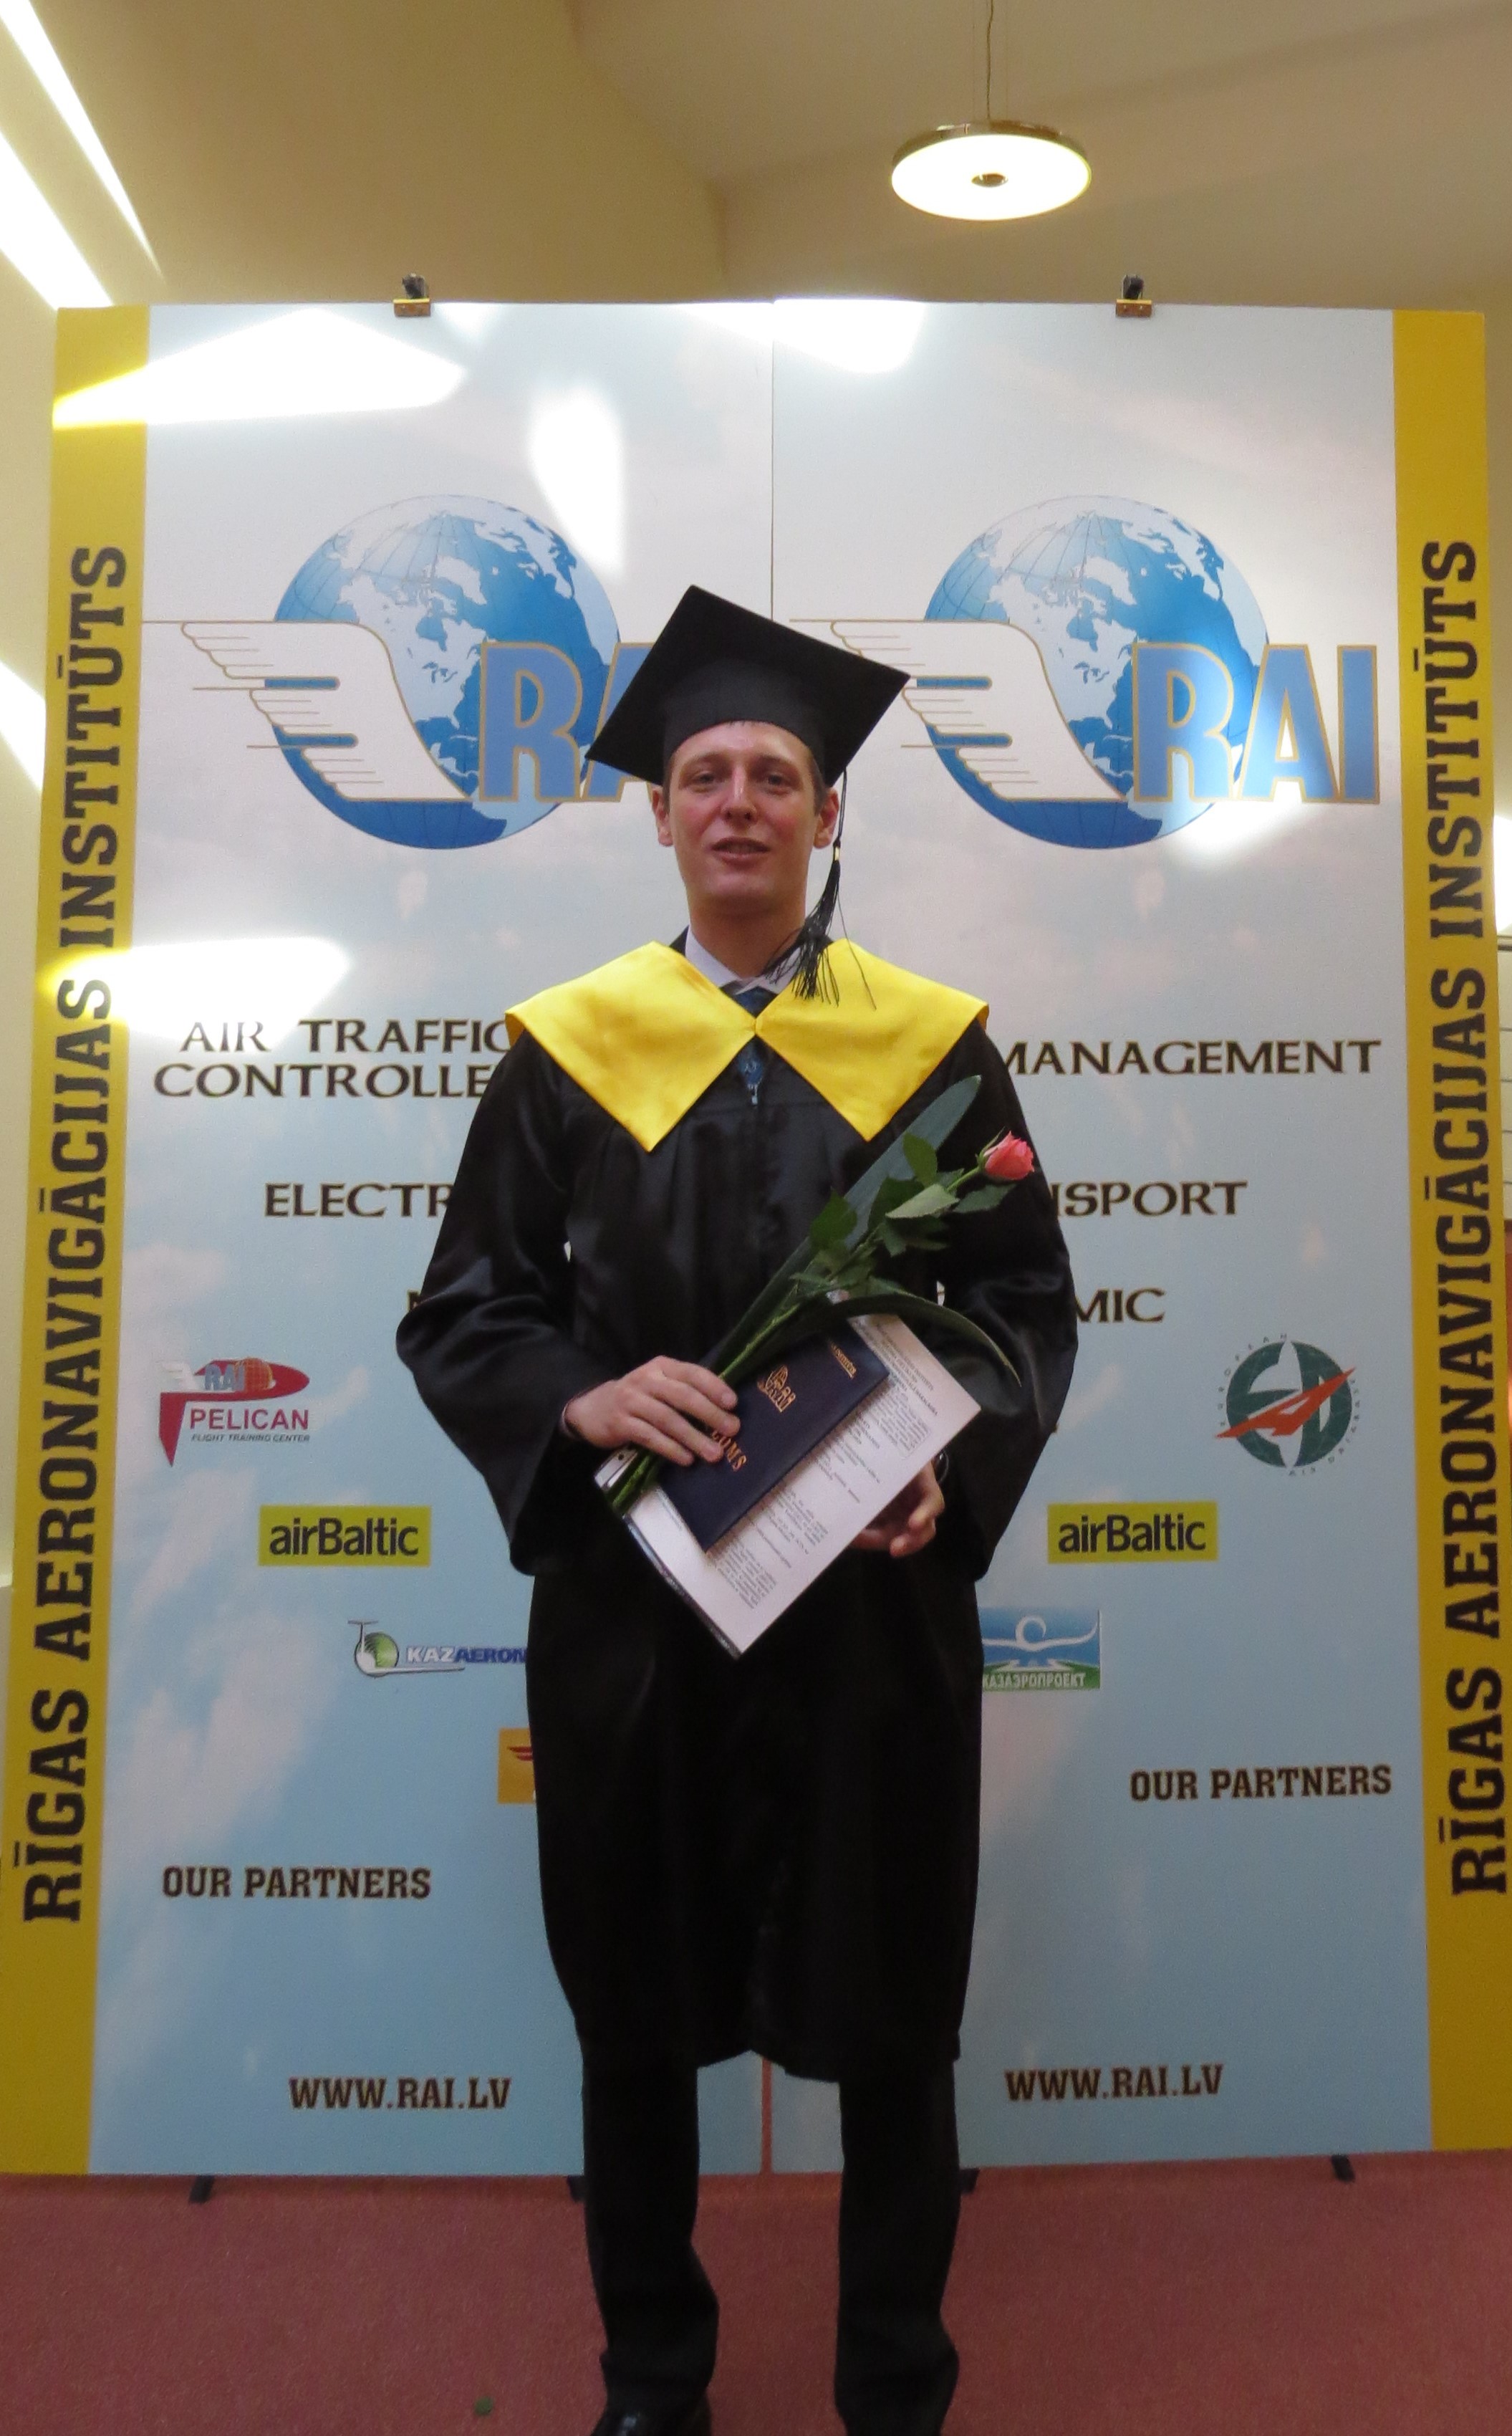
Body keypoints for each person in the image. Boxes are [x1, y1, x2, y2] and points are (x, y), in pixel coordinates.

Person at [398, 588, 1077, 2436]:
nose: (739, 803)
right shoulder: (571, 1047)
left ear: (827, 811)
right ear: (659, 815)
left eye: (776, 774)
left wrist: (952, 1461)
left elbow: (1023, 1301)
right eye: (704, 774)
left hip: (868, 1605)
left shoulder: (932, 1046)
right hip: (642, 1608)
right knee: (637, 2011)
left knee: (896, 2014)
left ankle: (897, 2385)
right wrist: (579, 1397)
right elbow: (469, 1306)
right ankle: (653, 2379)